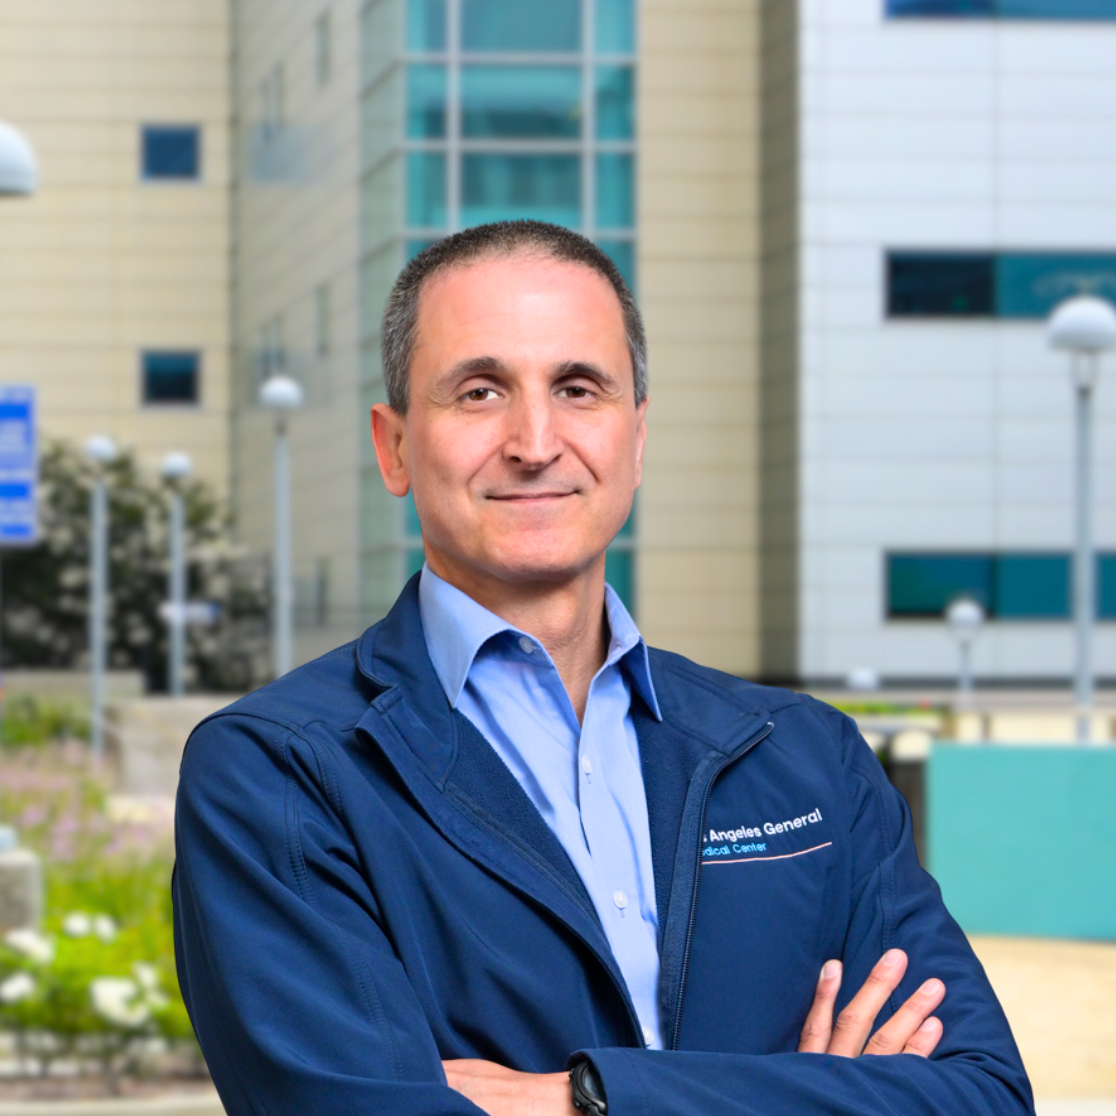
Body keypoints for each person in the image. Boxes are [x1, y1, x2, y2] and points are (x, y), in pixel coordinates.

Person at [172, 220, 1033, 1116]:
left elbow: (981, 1096)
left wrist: (586, 1099)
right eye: (479, 392)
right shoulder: (281, 772)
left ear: (636, 436)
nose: (535, 441)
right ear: (394, 447)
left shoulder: (805, 757)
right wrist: (820, 1093)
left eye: (579, 388)